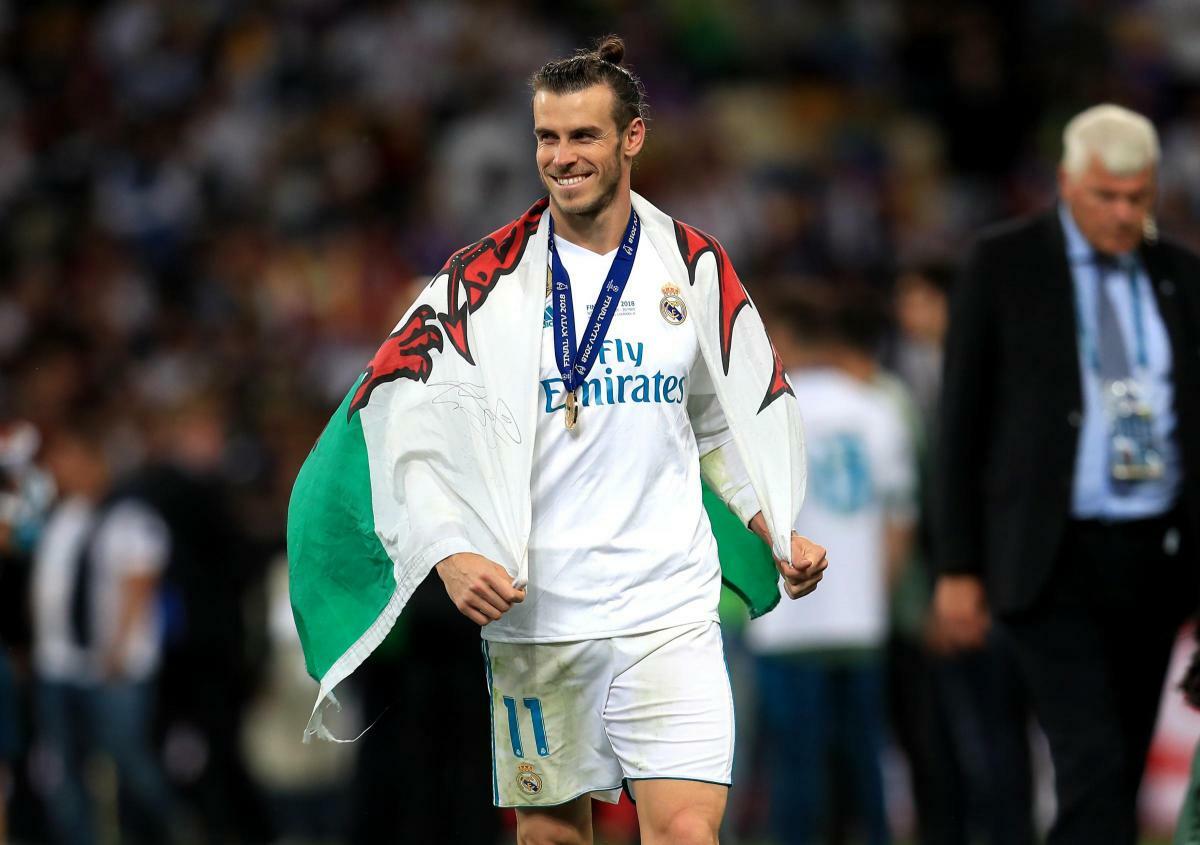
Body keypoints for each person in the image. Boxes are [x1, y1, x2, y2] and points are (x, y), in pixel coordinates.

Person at [288, 35, 827, 845]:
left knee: (686, 832)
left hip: (668, 606)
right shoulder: (483, 281)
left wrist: (772, 522)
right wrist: (448, 551)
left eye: (583, 136)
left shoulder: (694, 266)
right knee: (551, 839)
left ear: (632, 137)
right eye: (547, 137)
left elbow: (723, 425)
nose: (562, 156)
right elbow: (412, 431)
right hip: (540, 613)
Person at [932, 103, 1200, 845]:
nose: (1122, 213)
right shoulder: (1004, 263)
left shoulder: (1181, 276)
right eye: (1105, 195)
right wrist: (956, 564)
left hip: (1155, 555)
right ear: (1066, 183)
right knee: (1095, 763)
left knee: (1121, 767)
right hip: (1049, 557)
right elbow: (960, 422)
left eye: (1137, 197)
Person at [747, 289, 916, 845]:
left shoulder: (767, 409)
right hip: (859, 621)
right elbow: (898, 520)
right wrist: (875, 596)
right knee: (865, 766)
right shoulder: (876, 409)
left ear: (788, 339)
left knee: (796, 772)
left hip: (787, 623)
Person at [30, 419, 175, 845]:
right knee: (64, 765)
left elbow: (139, 588)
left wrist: (115, 651)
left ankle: (167, 827)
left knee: (128, 761)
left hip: (115, 668)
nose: (60, 469)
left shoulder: (130, 516)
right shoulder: (62, 518)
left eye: (69, 458)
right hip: (58, 663)